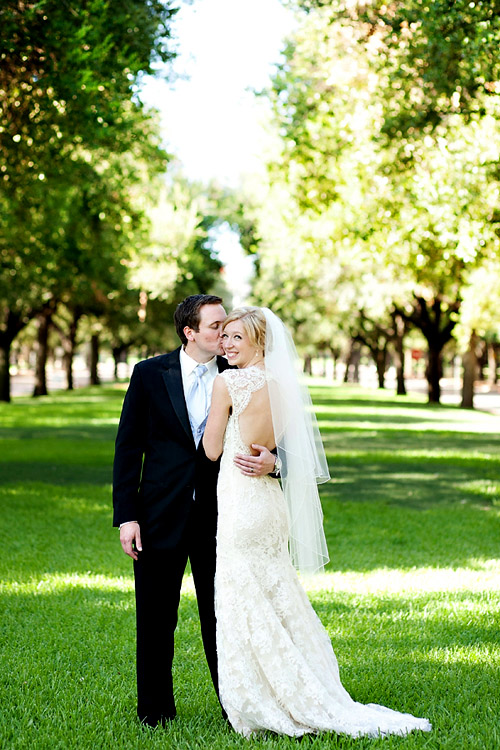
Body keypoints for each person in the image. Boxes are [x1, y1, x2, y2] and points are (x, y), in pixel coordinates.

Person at [203, 306, 432, 739]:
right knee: (275, 590)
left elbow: (213, 449)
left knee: (242, 597)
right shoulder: (287, 387)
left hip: (239, 499)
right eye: (225, 336)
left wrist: (209, 422)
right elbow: (292, 453)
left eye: (236, 337)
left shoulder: (226, 382)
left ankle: (262, 700)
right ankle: (301, 687)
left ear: (259, 341)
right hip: (269, 502)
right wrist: (271, 461)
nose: (226, 344)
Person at [112, 295, 277, 727]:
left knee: (222, 618)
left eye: (227, 327)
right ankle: (154, 712)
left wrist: (274, 463)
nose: (224, 334)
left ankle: (235, 710)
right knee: (154, 620)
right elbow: (128, 448)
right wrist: (127, 516)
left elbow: (284, 437)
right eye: (216, 327)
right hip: (157, 516)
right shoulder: (149, 374)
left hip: (223, 518)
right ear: (190, 332)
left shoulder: (240, 374)